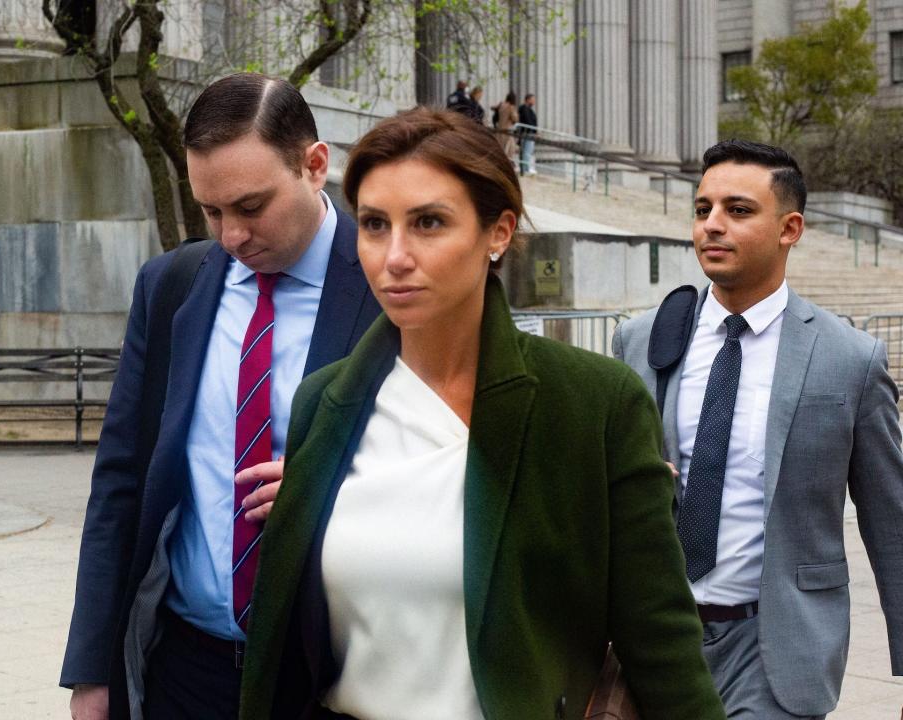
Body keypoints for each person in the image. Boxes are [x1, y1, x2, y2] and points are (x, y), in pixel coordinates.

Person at [238, 107, 726, 720]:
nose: (395, 256)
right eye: (373, 224)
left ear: (498, 232)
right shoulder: (325, 402)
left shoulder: (595, 404)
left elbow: (661, 642)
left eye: (429, 223)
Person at [60, 73, 380, 720]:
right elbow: (120, 481)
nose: (231, 235)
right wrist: (91, 669)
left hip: (337, 680)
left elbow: (461, 460)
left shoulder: (387, 284)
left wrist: (338, 489)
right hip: (185, 669)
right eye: (211, 211)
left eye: (251, 206)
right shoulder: (171, 286)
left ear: (315, 165)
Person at [613, 139, 903, 719]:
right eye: (703, 210)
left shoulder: (850, 358)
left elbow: (892, 523)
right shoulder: (642, 340)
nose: (712, 226)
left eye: (738, 211)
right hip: (653, 644)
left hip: (776, 650)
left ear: (789, 228)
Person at [492, 90, 519, 165]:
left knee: (501, 147)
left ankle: (501, 162)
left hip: (500, 129)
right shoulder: (511, 107)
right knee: (510, 148)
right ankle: (507, 163)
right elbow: (515, 118)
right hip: (508, 130)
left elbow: (492, 107)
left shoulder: (501, 105)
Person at [517, 93, 537, 176]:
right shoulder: (524, 108)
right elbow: (527, 121)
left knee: (528, 150)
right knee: (527, 151)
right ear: (528, 99)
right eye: (533, 99)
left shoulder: (528, 109)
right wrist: (533, 130)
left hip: (529, 133)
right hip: (527, 133)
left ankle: (526, 167)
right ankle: (525, 168)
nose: (534, 101)